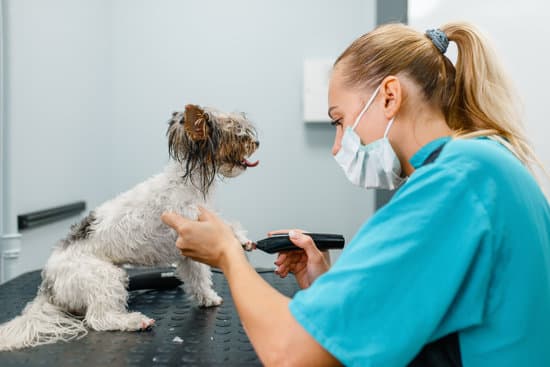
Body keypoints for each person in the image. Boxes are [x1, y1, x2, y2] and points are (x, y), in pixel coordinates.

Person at [161, 22, 550, 366]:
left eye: (340, 121)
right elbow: (422, 311)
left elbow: (291, 352)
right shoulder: (487, 163)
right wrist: (326, 286)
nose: (338, 145)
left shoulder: (453, 186)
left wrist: (227, 253)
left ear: (389, 97)